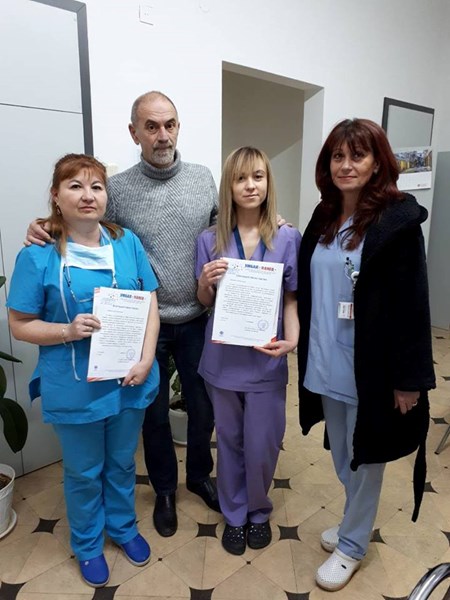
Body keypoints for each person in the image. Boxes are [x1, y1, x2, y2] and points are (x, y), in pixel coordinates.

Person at [26, 91, 220, 538]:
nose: (162, 135)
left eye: (169, 124)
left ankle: (199, 476)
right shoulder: (120, 188)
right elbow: (85, 222)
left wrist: (270, 220)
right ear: (134, 133)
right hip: (143, 324)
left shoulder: (202, 177)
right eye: (151, 127)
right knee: (153, 415)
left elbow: (222, 225)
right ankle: (165, 490)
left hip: (196, 315)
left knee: (203, 406)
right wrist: (43, 226)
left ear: (178, 127)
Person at [8, 154, 160, 587]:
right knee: (83, 472)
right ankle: (89, 544)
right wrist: (67, 330)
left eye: (96, 186)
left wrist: (146, 358)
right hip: (75, 386)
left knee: (122, 463)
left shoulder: (126, 242)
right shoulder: (37, 255)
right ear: (56, 196)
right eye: (75, 185)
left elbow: (150, 303)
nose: (88, 195)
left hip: (128, 379)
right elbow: (19, 324)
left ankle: (123, 528)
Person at [296, 119, 436, 591]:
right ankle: (351, 520)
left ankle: (353, 544)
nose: (346, 165)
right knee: (342, 455)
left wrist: (409, 379)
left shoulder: (397, 223)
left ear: (377, 162)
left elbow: (414, 305)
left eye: (357, 155)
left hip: (371, 368)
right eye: (338, 156)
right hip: (325, 358)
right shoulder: (324, 216)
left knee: (366, 457)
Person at [195, 147, 301, 555]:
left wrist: (291, 340)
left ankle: (259, 509)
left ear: (268, 182)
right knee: (230, 441)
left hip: (266, 358)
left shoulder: (287, 237)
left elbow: (290, 298)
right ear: (229, 186)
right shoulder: (210, 240)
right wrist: (205, 281)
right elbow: (204, 301)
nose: (250, 185)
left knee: (263, 443)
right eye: (241, 178)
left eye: (258, 176)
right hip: (223, 360)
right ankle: (235, 514)